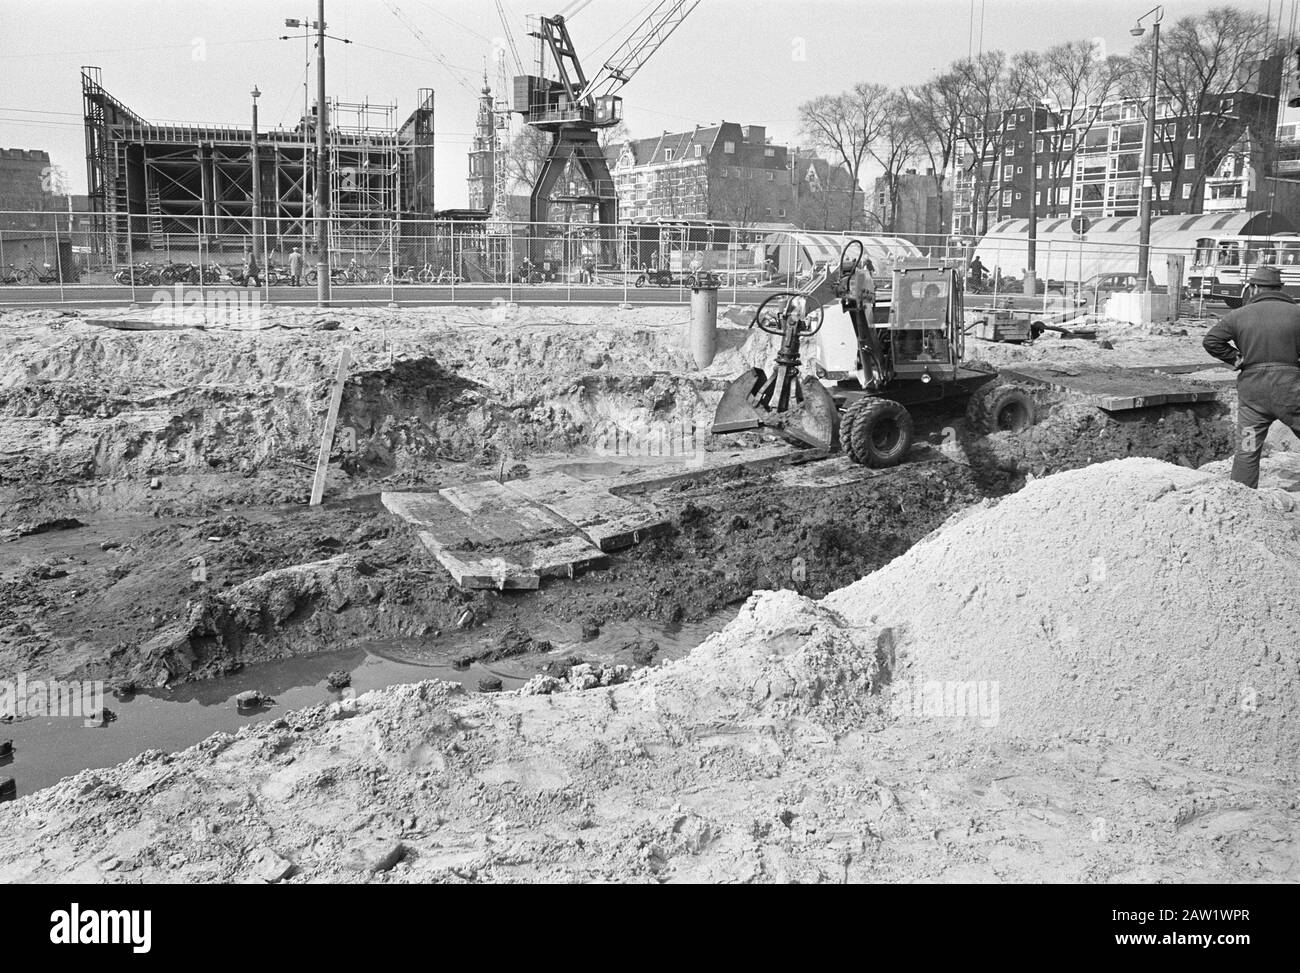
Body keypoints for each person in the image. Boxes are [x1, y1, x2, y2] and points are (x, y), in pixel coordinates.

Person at [1203, 264, 1300, 488]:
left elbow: (1211, 341)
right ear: (1280, 288)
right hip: (1291, 390)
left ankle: (1242, 497)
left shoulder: (1238, 315)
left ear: (1254, 288)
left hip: (1252, 394)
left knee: (1247, 449)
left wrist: (1236, 358)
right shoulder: (1297, 313)